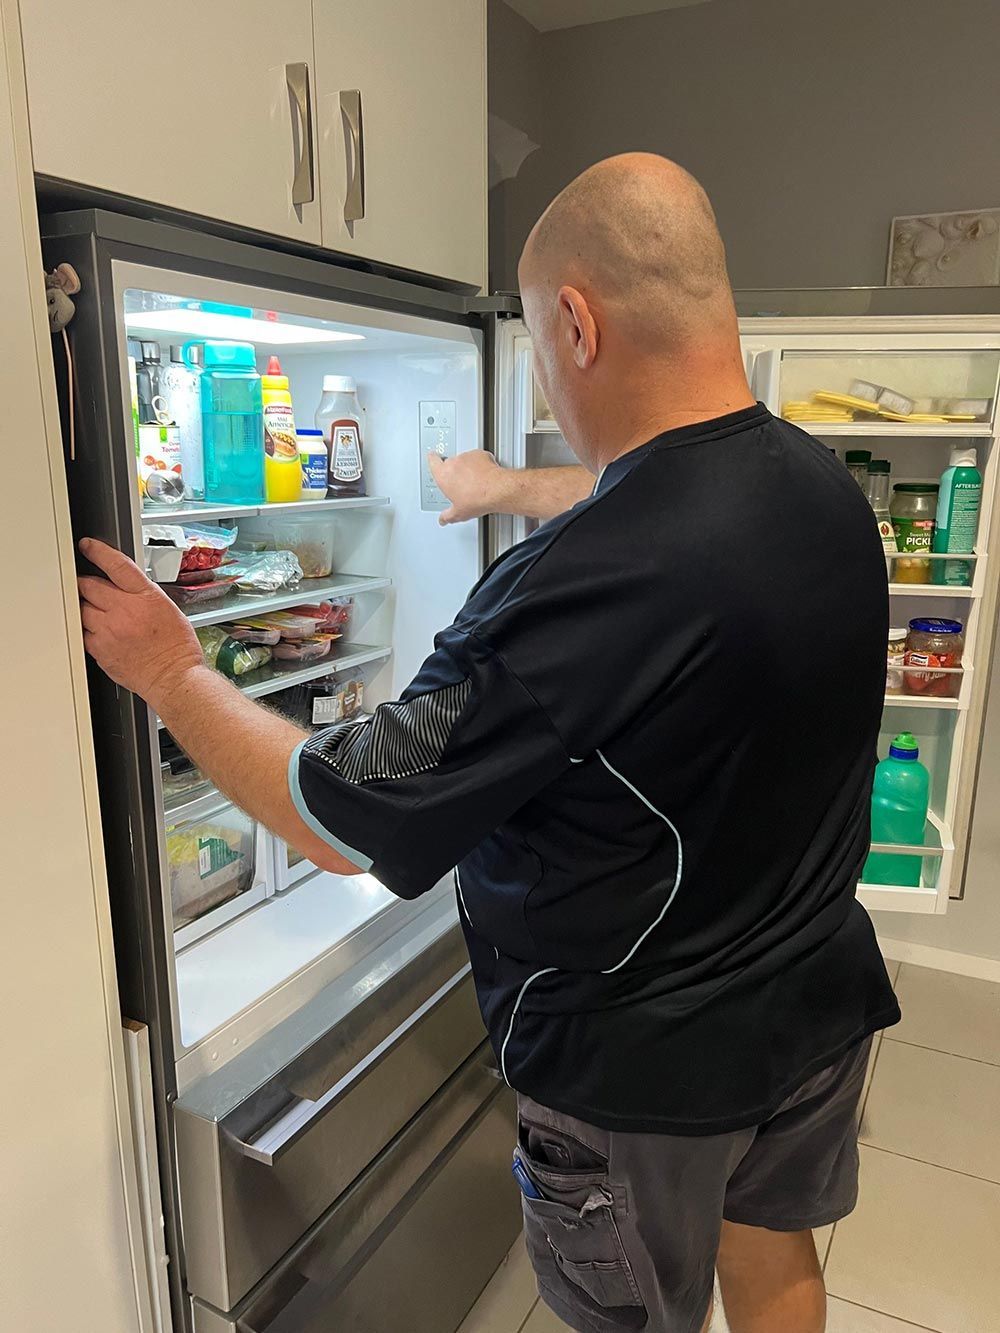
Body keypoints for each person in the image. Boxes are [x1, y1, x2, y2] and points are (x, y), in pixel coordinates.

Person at [78, 153, 899, 1333]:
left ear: (575, 321)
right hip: (811, 995)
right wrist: (512, 485)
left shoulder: (573, 593)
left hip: (645, 1064)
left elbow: (339, 815)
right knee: (775, 1260)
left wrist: (172, 669)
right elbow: (662, 511)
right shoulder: (816, 483)